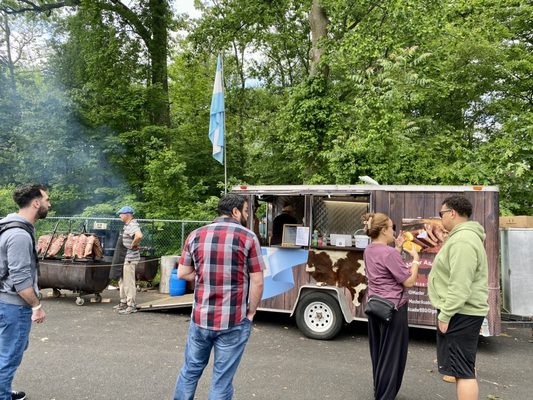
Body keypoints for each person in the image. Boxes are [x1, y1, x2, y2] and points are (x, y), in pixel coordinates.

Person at [173, 194, 265, 400]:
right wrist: (250, 312)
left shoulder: (195, 235)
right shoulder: (248, 237)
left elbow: (182, 273)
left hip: (200, 318)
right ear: (235, 211)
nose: (247, 215)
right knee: (222, 380)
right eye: (246, 211)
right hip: (233, 320)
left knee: (190, 371)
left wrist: (206, 276)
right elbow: (258, 281)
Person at [428, 195, 489, 400]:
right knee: (462, 369)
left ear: (452, 213)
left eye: (441, 214)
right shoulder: (463, 237)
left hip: (460, 313)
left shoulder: (464, 240)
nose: (441, 218)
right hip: (463, 311)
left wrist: (445, 315)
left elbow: (460, 284)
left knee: (463, 371)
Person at [0, 184, 50, 400]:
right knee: (9, 354)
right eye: (47, 200)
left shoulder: (7, 226)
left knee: (8, 349)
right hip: (13, 305)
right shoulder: (19, 234)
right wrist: (36, 306)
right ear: (36, 203)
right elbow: (20, 280)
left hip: (4, 300)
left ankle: (3, 389)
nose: (49, 204)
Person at [362, 212, 419, 400]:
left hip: (375, 306)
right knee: (392, 356)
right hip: (394, 310)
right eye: (392, 227)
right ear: (384, 230)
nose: (394, 230)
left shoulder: (369, 249)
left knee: (378, 352)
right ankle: (385, 396)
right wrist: (416, 260)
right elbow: (408, 282)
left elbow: (387, 264)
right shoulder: (389, 253)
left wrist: (397, 248)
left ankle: (379, 389)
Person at [114, 206, 143, 315]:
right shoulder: (127, 225)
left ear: (127, 214)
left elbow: (139, 236)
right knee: (122, 280)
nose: (119, 216)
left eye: (121, 214)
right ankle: (123, 302)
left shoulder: (132, 224)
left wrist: (133, 244)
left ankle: (131, 305)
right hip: (123, 257)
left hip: (130, 258)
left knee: (128, 282)